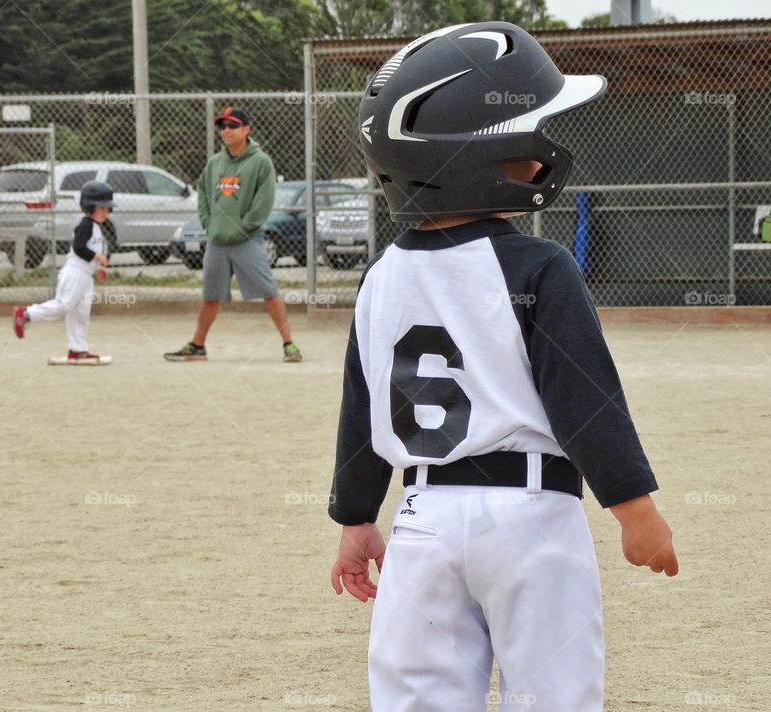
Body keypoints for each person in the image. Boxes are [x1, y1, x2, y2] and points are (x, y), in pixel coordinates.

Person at [328, 22, 679, 712]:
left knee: (417, 699)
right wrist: (635, 509)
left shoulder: (381, 276)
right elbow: (585, 402)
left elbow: (362, 404)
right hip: (531, 519)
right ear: (481, 150)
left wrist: (356, 516)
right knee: (553, 696)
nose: (543, 144)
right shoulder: (538, 266)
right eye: (533, 126)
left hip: (422, 520)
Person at [164, 106, 302, 363]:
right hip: (217, 242)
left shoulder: (260, 162)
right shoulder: (215, 163)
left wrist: (244, 226)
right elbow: (203, 195)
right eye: (222, 126)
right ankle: (198, 346)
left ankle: (289, 345)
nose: (226, 131)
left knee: (269, 293)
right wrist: (209, 224)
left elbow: (263, 202)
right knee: (210, 296)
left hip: (247, 240)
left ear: (246, 130)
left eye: (232, 126)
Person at [12, 181, 112, 365]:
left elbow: (90, 251)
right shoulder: (86, 225)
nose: (107, 212)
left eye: (108, 208)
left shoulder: (97, 227)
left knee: (81, 313)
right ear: (90, 207)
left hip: (85, 277)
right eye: (103, 208)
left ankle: (78, 350)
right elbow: (79, 248)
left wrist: (99, 268)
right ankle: (25, 314)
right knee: (65, 306)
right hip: (74, 273)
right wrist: (98, 256)